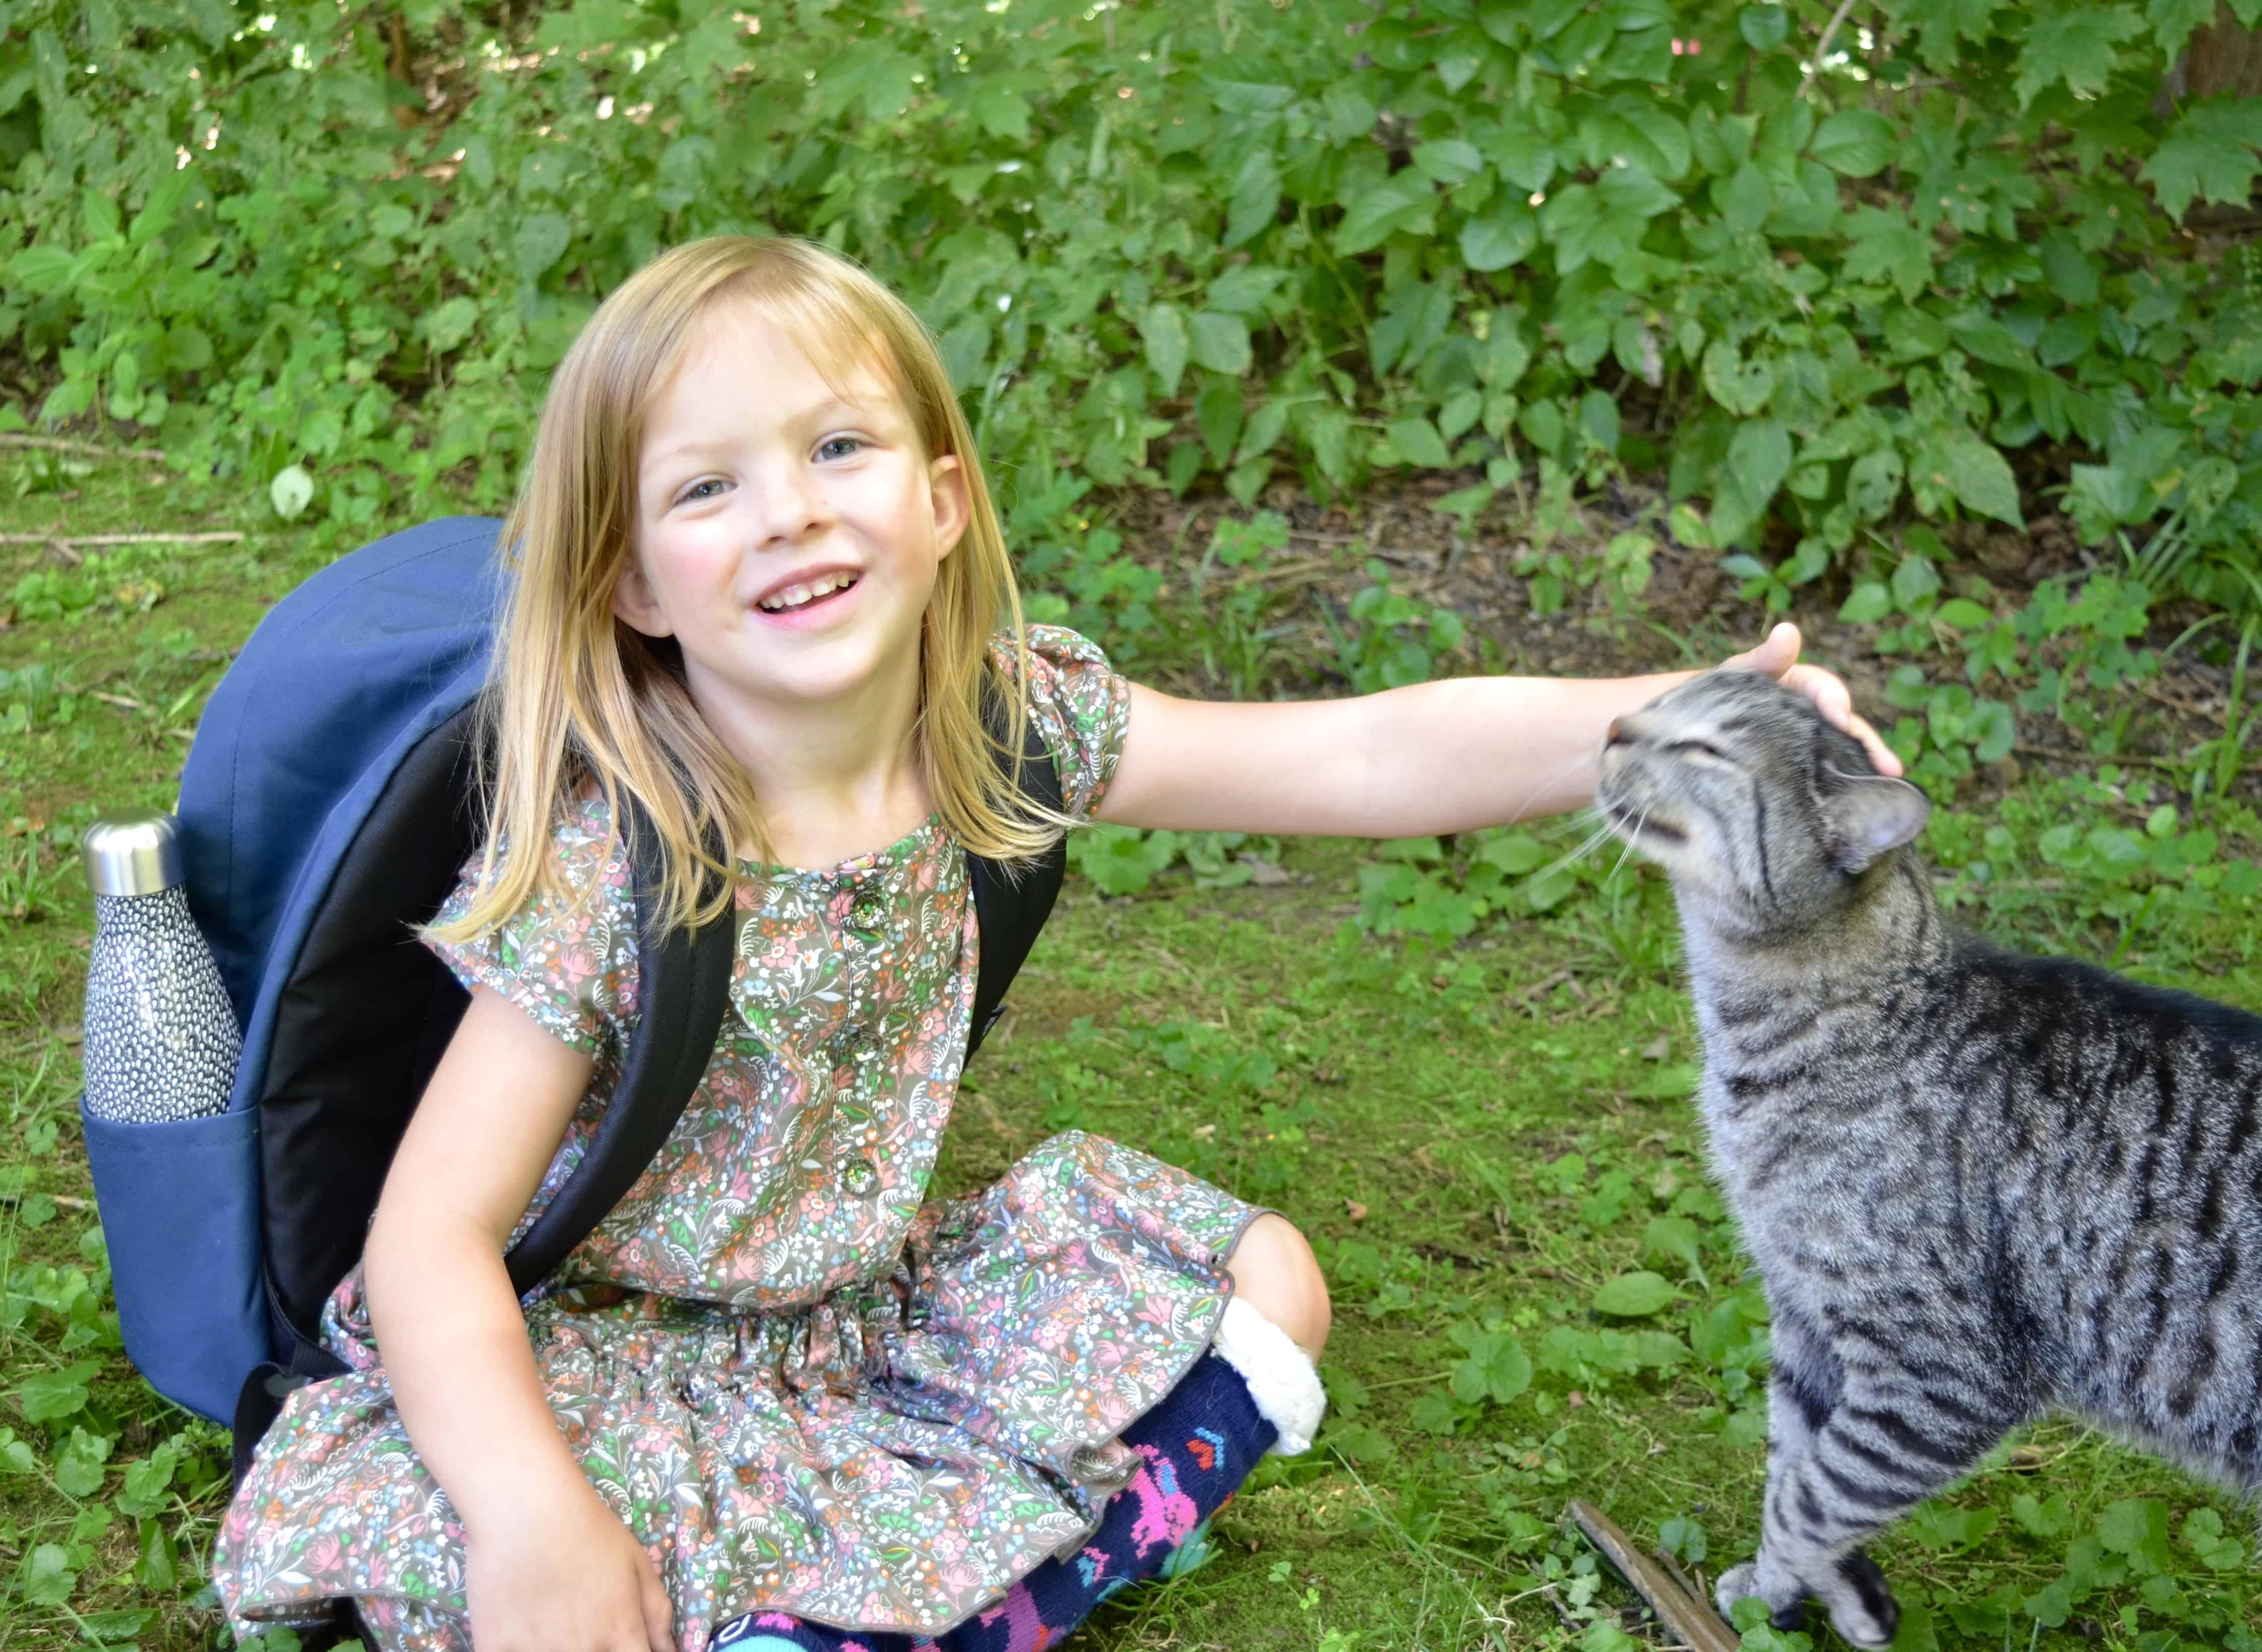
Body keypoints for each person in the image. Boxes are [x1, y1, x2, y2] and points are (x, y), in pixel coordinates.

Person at [211, 236, 1896, 1652]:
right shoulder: (626, 856)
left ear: (944, 502)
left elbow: (1358, 753)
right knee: (531, 1562)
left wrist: (1670, 719)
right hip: (614, 1358)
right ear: (637, 584)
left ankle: (900, 1609)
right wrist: (536, 1521)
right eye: (709, 487)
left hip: (857, 1322)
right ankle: (909, 1594)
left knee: (1269, 1281)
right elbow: (432, 1240)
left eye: (837, 451)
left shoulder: (1005, 728)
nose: (789, 512)